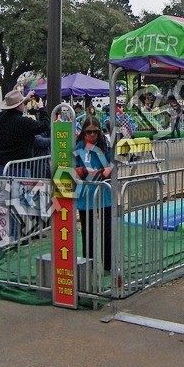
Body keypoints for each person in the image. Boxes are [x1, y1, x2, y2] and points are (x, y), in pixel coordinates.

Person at [73, 116, 113, 272]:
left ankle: (108, 265)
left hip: (104, 193)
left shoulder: (105, 146)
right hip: (85, 194)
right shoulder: (78, 147)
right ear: (84, 132)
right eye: (88, 132)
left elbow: (112, 163)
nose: (92, 135)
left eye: (95, 132)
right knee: (87, 232)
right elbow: (72, 167)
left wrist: (108, 170)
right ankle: (87, 266)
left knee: (107, 231)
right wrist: (82, 171)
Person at [0, 90, 49, 172]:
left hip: (2, 166)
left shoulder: (0, 118)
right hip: (20, 168)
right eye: (23, 103)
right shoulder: (23, 122)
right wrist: (41, 108)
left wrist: (24, 100)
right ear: (19, 106)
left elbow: (15, 109)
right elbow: (45, 125)